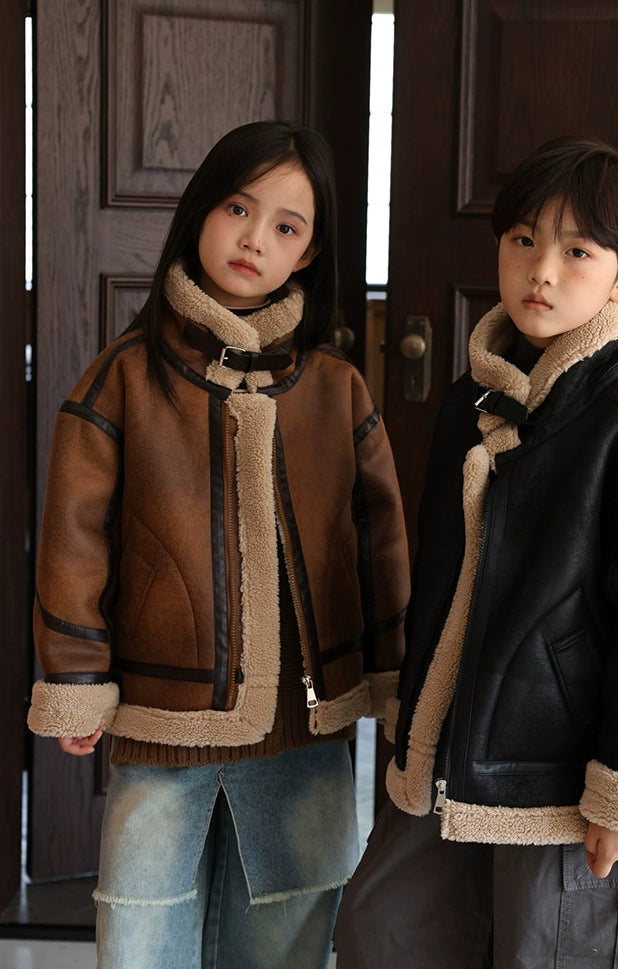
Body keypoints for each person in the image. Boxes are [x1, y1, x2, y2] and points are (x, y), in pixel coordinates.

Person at [27, 120, 410, 969]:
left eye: (286, 225)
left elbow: (378, 539)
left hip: (302, 728)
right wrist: (76, 677)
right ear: (201, 209)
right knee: (142, 928)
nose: (253, 238)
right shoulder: (122, 378)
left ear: (309, 254)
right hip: (163, 717)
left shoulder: (337, 390)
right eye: (238, 206)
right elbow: (73, 537)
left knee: (289, 928)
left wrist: (390, 674)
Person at [334, 137, 618, 968]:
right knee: (385, 930)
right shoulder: (471, 403)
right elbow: (441, 575)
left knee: (555, 950)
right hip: (448, 745)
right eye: (523, 241)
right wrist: (410, 718)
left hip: (567, 774)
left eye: (576, 251)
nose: (542, 269)